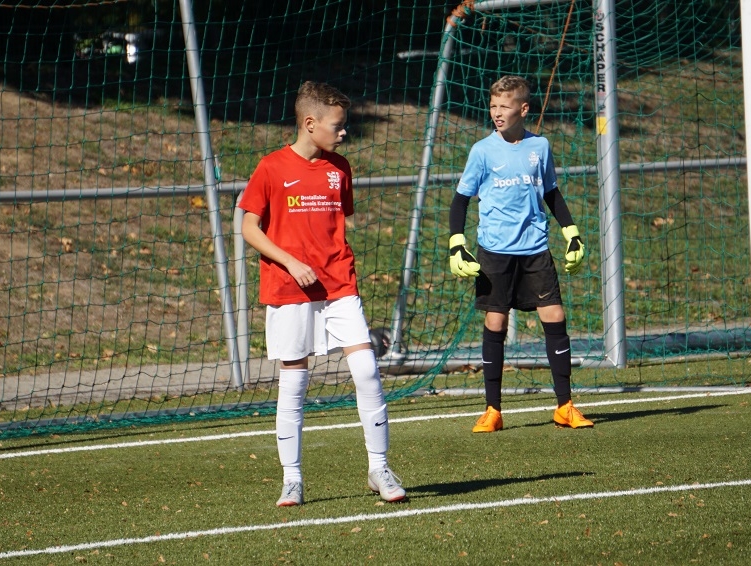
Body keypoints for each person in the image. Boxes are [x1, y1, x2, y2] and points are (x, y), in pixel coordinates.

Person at [237, 81, 406, 507]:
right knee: (295, 382)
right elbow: (248, 227)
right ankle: (292, 479)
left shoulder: (339, 168)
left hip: (339, 283)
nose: (344, 132)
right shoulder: (271, 167)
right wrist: (290, 262)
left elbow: (334, 223)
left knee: (366, 369)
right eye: (337, 125)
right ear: (310, 123)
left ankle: (379, 467)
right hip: (289, 288)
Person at [448, 75, 594, 433]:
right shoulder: (482, 151)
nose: (497, 112)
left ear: (523, 109)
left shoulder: (539, 147)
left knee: (555, 315)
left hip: (535, 248)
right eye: (493, 106)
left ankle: (565, 406)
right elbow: (460, 200)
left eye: (505, 106)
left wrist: (572, 233)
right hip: (495, 251)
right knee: (495, 322)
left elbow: (551, 193)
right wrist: (456, 243)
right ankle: (492, 410)